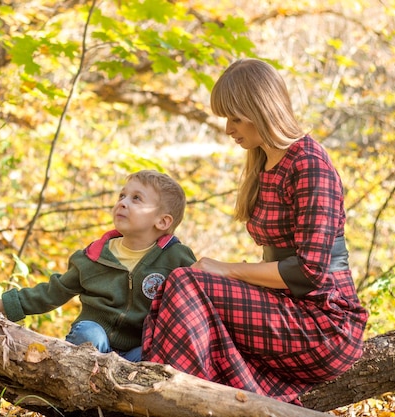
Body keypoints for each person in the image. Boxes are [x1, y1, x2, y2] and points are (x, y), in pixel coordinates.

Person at [141, 58, 369, 403]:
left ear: (261, 109)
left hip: (325, 323)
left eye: (235, 118)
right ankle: (181, 397)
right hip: (285, 308)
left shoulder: (309, 164)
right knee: (184, 280)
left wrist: (225, 269)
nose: (229, 129)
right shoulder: (265, 163)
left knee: (188, 282)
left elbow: (308, 273)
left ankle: (177, 402)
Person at [0, 170, 196, 362]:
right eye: (122, 196)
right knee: (89, 333)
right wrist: (4, 305)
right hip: (94, 340)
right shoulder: (94, 256)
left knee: (157, 355)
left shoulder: (175, 258)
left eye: (136, 198)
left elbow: (197, 299)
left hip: (140, 346)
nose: (123, 203)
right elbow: (53, 292)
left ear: (162, 221)